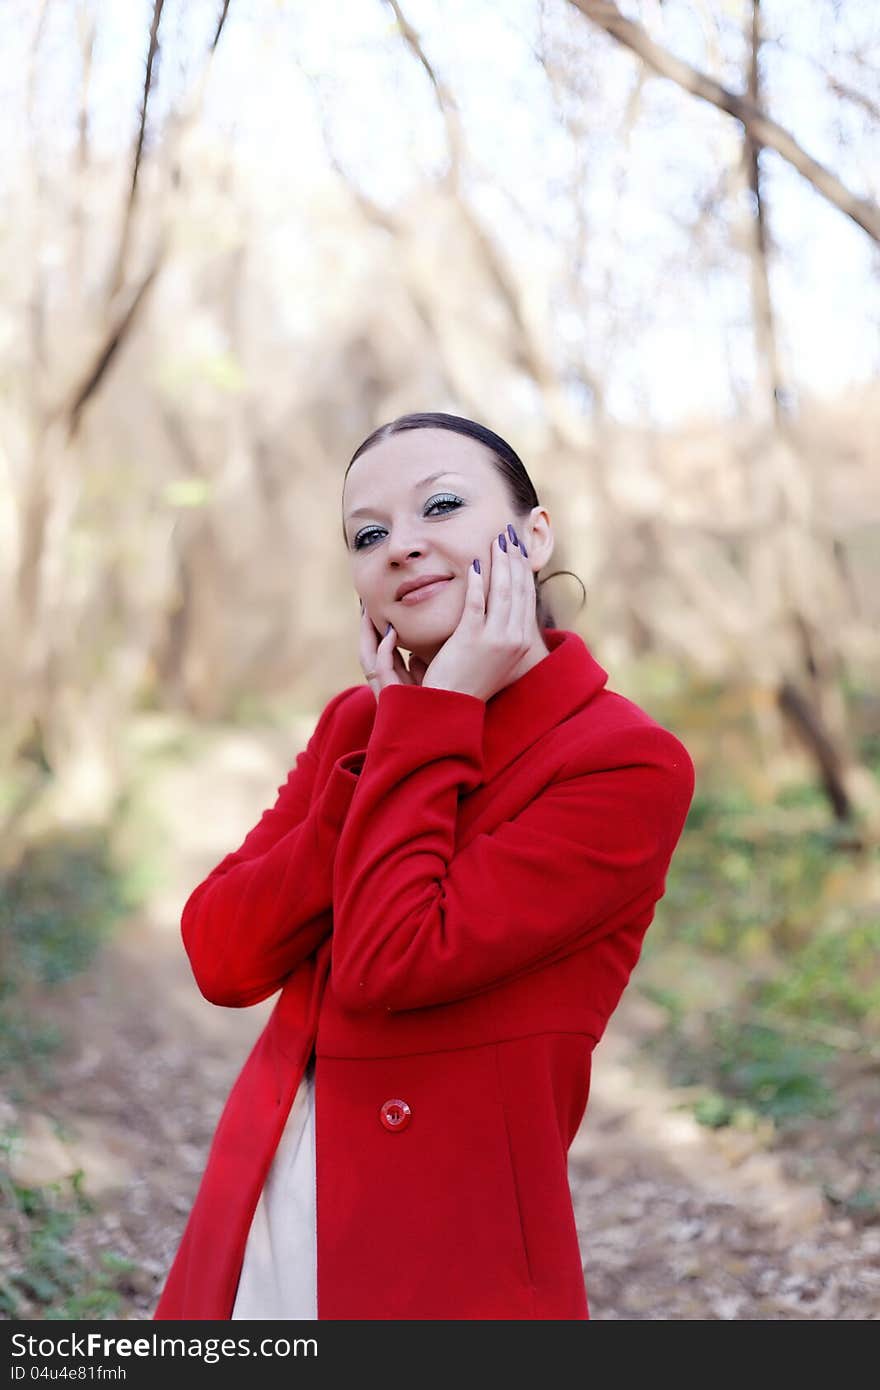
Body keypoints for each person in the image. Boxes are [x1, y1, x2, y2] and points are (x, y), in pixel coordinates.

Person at [152, 411, 695, 1321]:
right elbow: (221, 956)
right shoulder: (356, 727)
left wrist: (431, 721)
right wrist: (392, 741)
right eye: (369, 535)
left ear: (534, 533)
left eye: (439, 505)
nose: (402, 547)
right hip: (275, 1195)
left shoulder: (625, 761)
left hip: (449, 1243)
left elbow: (390, 960)